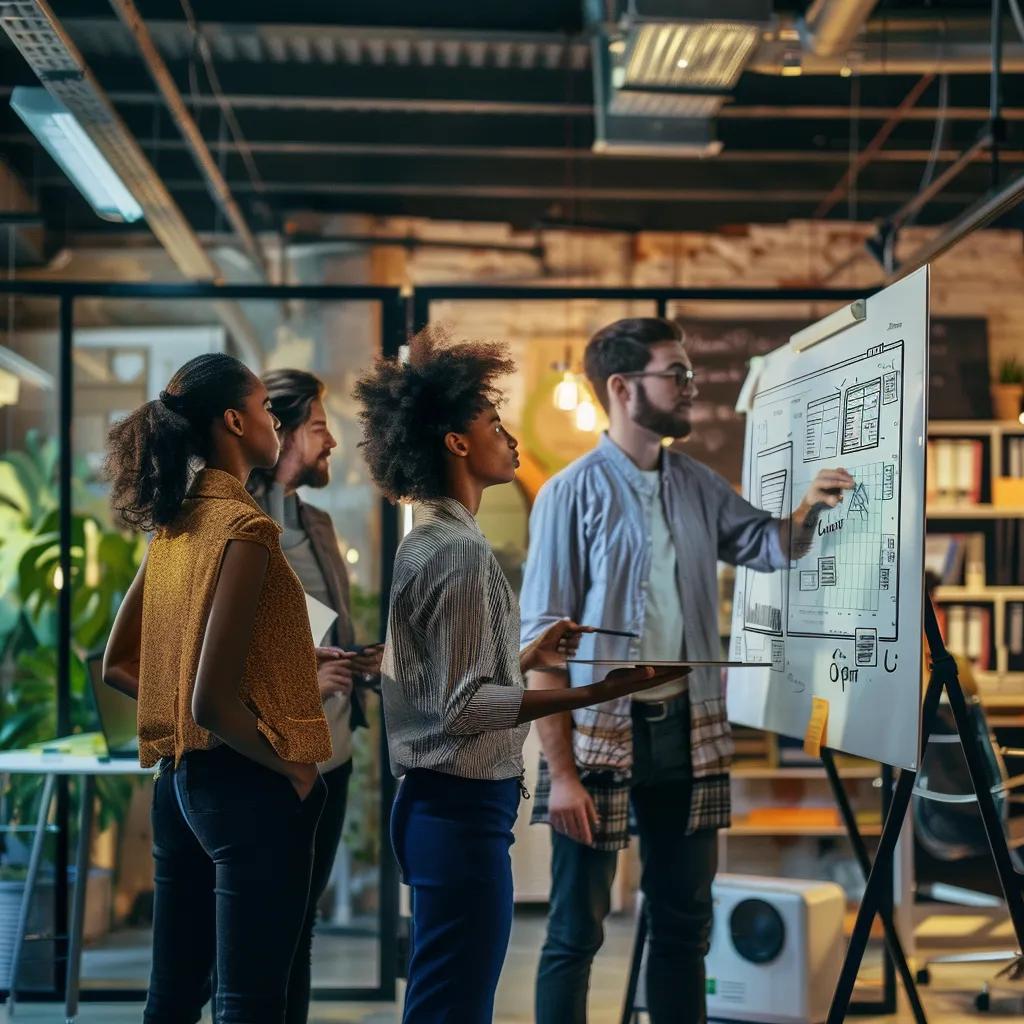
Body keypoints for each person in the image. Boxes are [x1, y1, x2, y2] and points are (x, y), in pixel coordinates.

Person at [519, 317, 855, 1024]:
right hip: (597, 735)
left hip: (686, 729)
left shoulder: (697, 483)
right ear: (622, 387)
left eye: (688, 374)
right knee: (576, 933)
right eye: (676, 374)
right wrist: (564, 778)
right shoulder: (568, 494)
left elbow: (768, 544)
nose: (690, 388)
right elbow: (542, 654)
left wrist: (808, 512)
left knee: (684, 925)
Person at [352, 325, 686, 1024]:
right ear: (456, 443)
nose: (508, 437)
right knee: (453, 1006)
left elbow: (439, 681)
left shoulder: (433, 538)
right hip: (461, 811)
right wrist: (597, 691)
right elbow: (465, 706)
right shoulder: (461, 555)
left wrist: (527, 656)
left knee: (444, 996)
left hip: (440, 806)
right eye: (491, 422)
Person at [101, 353, 332, 1024]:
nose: (274, 424)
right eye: (265, 410)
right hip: (246, 788)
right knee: (251, 1002)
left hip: (178, 787)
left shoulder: (174, 525)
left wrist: (178, 714)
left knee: (171, 996)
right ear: (234, 421)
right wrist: (291, 767)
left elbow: (120, 662)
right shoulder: (246, 530)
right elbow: (211, 698)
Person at [248, 368, 383, 1024]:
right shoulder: (234, 526)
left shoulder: (320, 525)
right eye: (321, 427)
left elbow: (322, 628)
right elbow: (220, 651)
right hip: (268, 758)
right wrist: (303, 674)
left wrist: (361, 662)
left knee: (300, 931)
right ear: (280, 431)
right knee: (257, 943)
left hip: (334, 753)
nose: (332, 442)